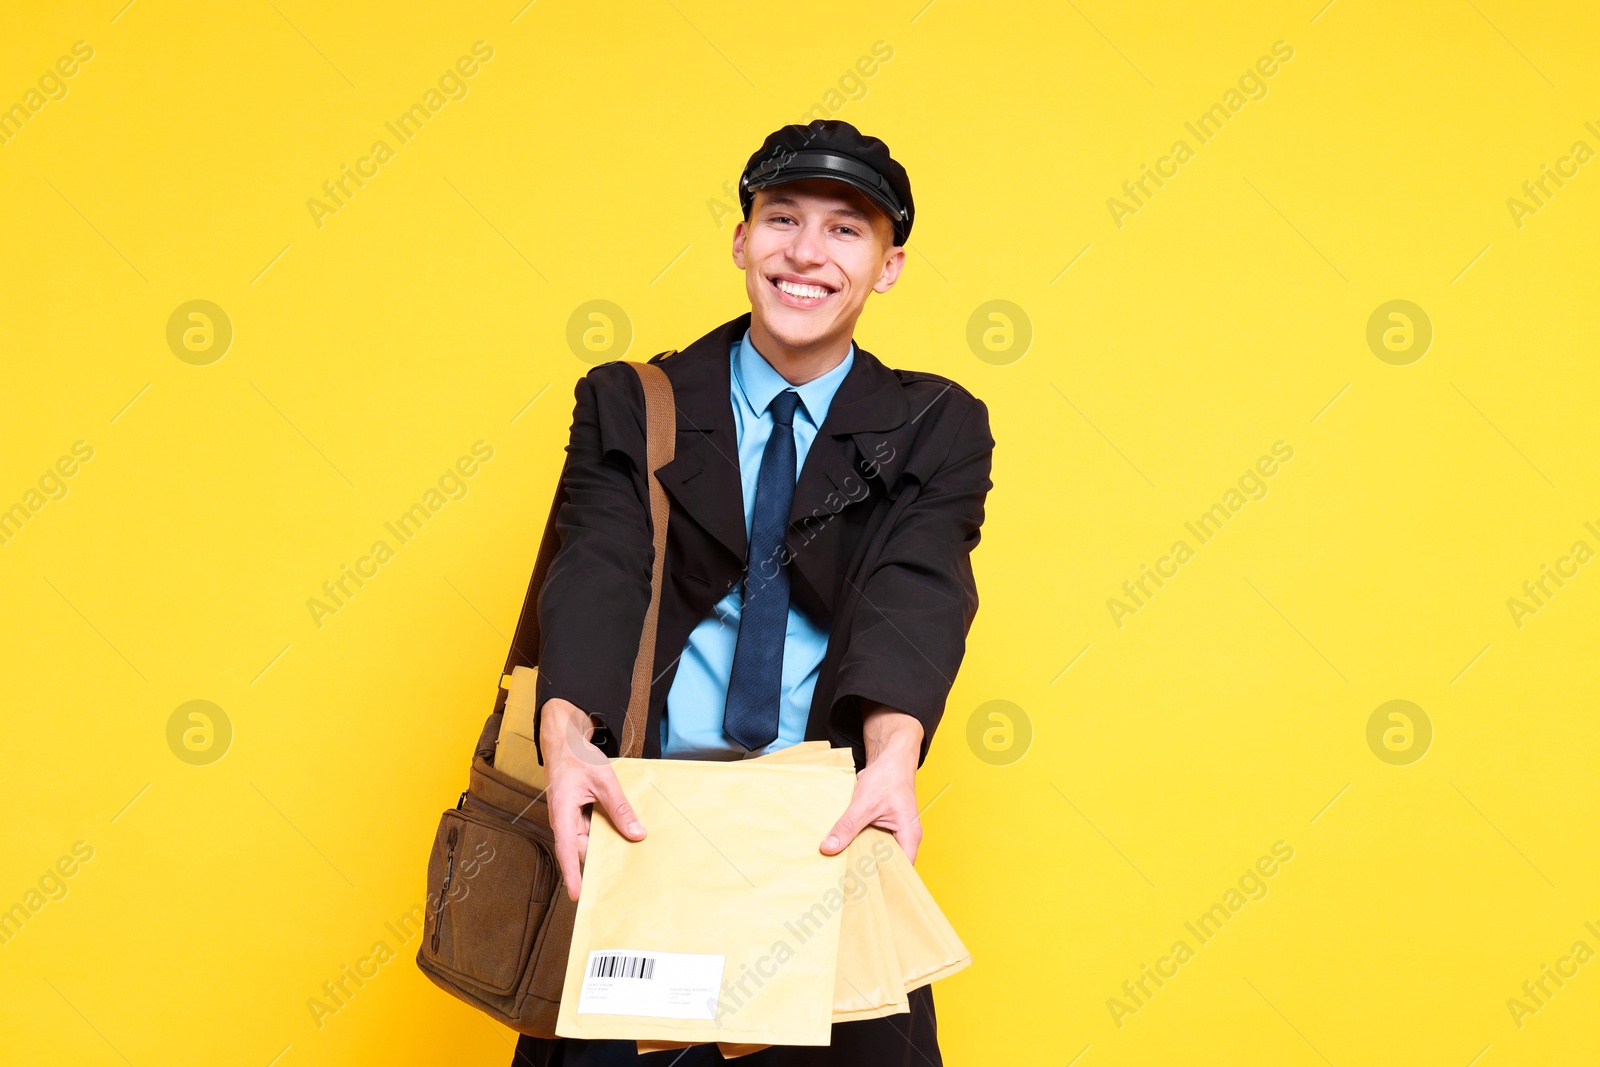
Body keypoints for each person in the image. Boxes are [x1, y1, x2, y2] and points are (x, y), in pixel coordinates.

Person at [513, 119, 993, 1067]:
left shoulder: (936, 424)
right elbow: (601, 568)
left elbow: (919, 586)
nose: (806, 253)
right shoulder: (628, 400)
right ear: (741, 242)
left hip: (818, 832)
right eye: (782, 219)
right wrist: (566, 742)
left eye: (846, 230)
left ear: (889, 265)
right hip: (643, 816)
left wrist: (893, 759)